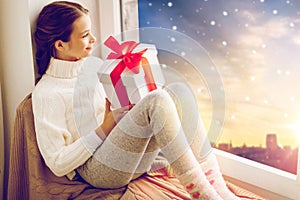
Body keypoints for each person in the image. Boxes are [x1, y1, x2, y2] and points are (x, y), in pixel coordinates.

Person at [32, 1, 239, 199]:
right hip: (94, 170)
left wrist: (129, 100)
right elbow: (57, 163)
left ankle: (217, 186)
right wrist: (103, 129)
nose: (94, 39)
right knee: (157, 100)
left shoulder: (93, 66)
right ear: (60, 44)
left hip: (120, 153)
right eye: (85, 35)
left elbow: (109, 111)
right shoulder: (47, 93)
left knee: (178, 91)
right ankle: (203, 195)